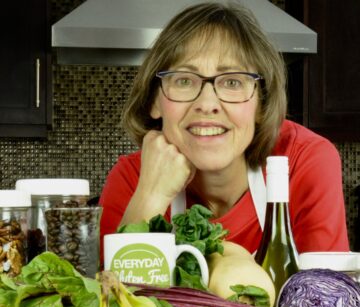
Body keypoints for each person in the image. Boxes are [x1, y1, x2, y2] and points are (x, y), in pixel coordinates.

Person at [99, 1, 349, 255]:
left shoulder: (304, 162)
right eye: (184, 80)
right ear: (154, 101)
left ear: (262, 104)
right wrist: (150, 196)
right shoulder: (132, 180)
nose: (207, 104)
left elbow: (324, 290)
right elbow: (115, 292)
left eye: (232, 81)